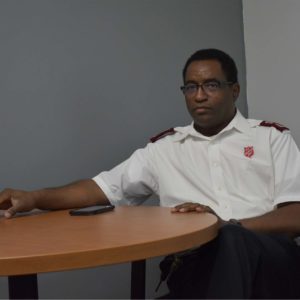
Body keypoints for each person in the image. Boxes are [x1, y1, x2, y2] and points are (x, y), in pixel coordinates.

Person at [1, 48, 300, 298]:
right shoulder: (164, 148)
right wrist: (33, 197)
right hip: (194, 265)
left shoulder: (271, 138)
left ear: (234, 90)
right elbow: (98, 189)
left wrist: (227, 226)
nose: (199, 96)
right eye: (190, 87)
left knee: (231, 240)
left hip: (270, 259)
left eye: (211, 85)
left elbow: (296, 214)